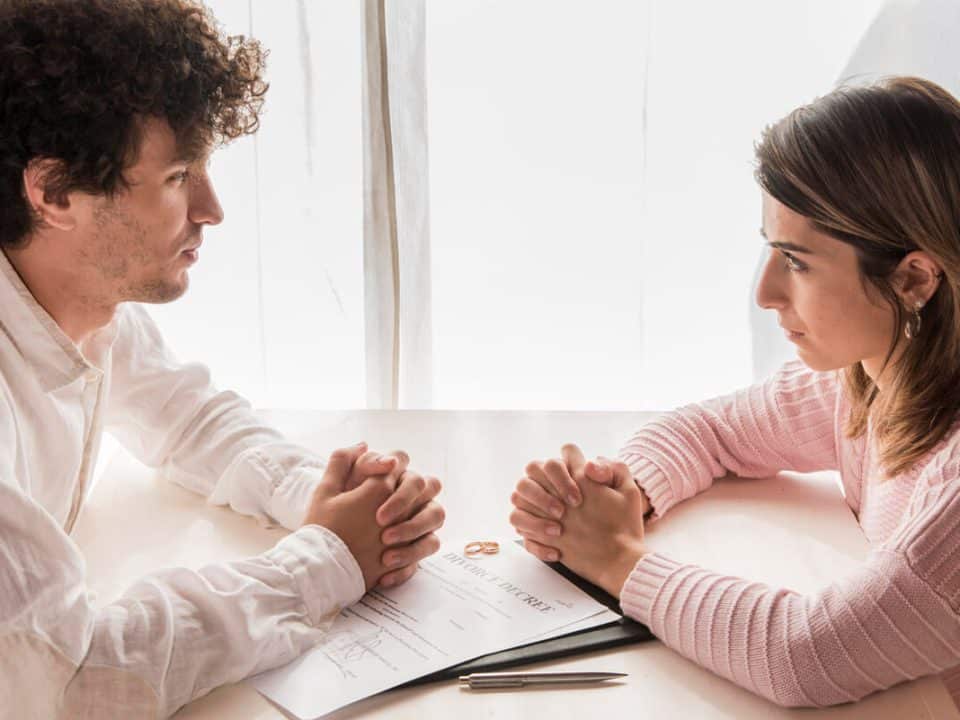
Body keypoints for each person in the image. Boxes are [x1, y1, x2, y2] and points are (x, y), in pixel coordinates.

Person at [0, 1, 443, 717]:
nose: (211, 208)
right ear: (54, 193)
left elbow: (184, 417)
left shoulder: (79, 297)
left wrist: (324, 498)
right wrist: (327, 559)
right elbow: (74, 680)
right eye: (177, 177)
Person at [509, 76, 960, 709]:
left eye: (797, 262)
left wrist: (614, 559)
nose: (767, 293)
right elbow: (710, 430)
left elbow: (807, 656)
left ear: (913, 278)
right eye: (772, 253)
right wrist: (623, 492)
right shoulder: (866, 382)